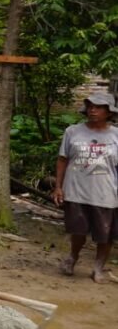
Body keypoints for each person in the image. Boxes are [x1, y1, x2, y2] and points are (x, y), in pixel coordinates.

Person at [54, 91, 118, 283]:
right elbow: (62, 159)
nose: (92, 110)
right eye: (90, 106)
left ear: (109, 112)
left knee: (105, 234)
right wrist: (58, 186)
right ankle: (72, 257)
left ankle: (98, 268)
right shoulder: (72, 132)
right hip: (76, 190)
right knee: (78, 231)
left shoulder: (116, 135)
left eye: (98, 107)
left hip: (106, 192)